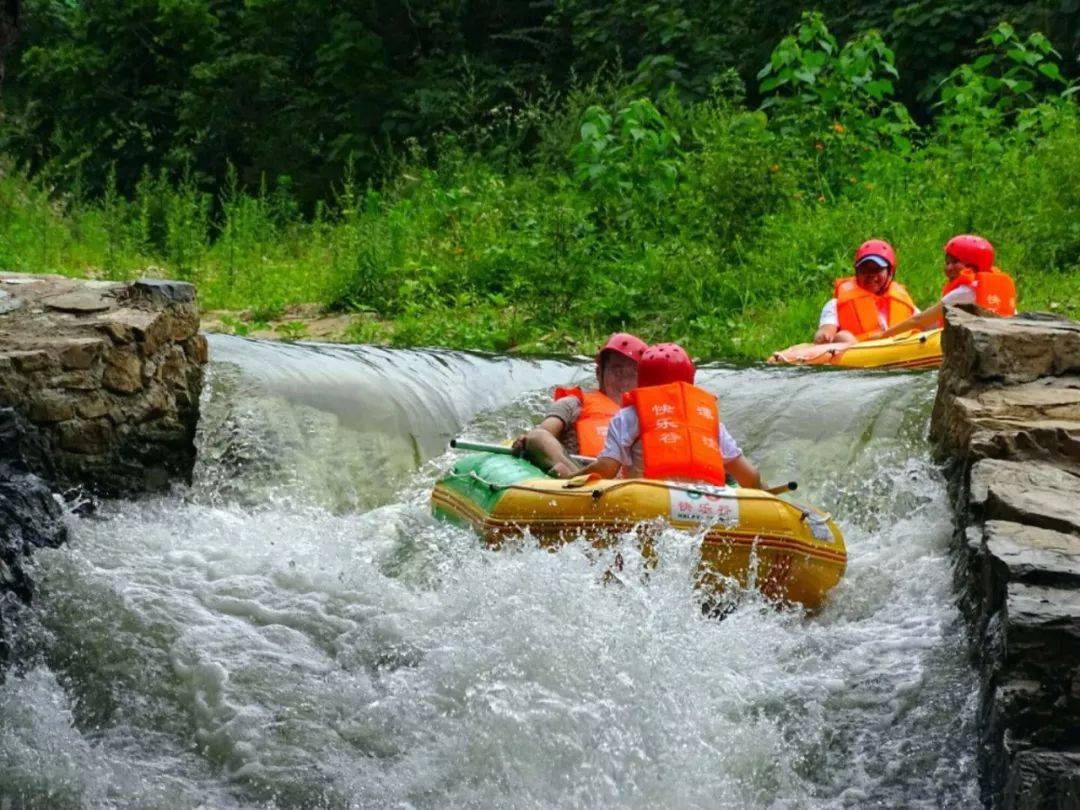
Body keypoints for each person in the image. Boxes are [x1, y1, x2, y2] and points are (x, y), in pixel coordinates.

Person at [567, 343, 762, 489]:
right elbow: (749, 477)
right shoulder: (708, 419)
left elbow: (606, 468)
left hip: (648, 499)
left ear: (641, 380)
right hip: (706, 504)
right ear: (689, 381)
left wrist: (571, 480)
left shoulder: (627, 417)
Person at [517, 332, 647, 477]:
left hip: (629, 483)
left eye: (632, 374)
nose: (624, 380)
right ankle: (575, 478)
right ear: (599, 373)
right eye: (617, 371)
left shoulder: (649, 412)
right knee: (537, 436)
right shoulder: (573, 404)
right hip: (579, 471)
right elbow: (545, 432)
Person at [872, 234, 1016, 339]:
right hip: (999, 336)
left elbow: (919, 321)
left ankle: (885, 329)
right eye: (947, 263)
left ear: (972, 264)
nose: (948, 268)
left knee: (919, 320)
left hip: (980, 341)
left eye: (955, 262)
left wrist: (883, 337)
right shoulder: (997, 286)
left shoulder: (964, 293)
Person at [814, 239, 918, 344]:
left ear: (890, 273)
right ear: (857, 272)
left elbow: (923, 323)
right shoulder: (834, 305)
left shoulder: (903, 301)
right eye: (864, 270)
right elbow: (827, 328)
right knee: (842, 337)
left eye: (877, 269)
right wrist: (824, 335)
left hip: (900, 349)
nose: (871, 275)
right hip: (861, 353)